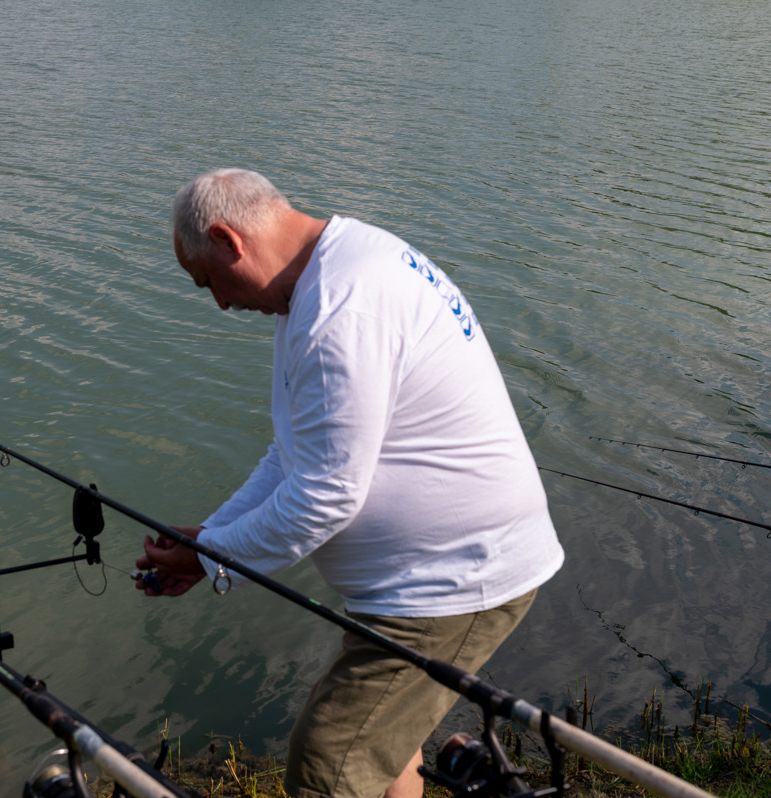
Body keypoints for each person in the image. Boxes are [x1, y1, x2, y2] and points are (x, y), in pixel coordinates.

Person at [137, 169, 564, 798]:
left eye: (208, 282)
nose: (221, 304)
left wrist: (210, 558)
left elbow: (325, 495)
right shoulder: (328, 274)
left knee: (328, 764)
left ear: (228, 241)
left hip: (454, 576)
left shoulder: (340, 307)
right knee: (385, 749)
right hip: (417, 579)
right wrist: (213, 536)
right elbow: (294, 455)